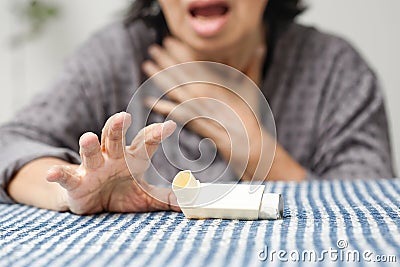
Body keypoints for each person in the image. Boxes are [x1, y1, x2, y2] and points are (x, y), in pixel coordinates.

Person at [0, 0, 395, 214]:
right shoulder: (117, 53)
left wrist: (251, 143)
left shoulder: (335, 67)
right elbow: (12, 144)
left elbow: (373, 205)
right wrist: (71, 192)